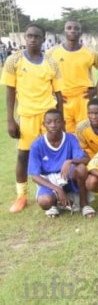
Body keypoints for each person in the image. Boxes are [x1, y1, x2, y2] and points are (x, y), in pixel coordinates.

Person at [2, 24, 63, 213]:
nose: (32, 39)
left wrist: (62, 119)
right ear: (24, 38)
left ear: (44, 38)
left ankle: (58, 190)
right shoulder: (14, 60)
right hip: (27, 116)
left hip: (49, 116)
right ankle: (21, 196)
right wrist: (11, 120)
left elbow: (58, 93)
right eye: (29, 36)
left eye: (37, 36)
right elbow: (10, 91)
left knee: (54, 153)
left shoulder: (51, 63)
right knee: (24, 155)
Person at [28, 109, 93, 218]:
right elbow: (34, 176)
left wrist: (70, 161)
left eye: (57, 121)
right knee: (45, 201)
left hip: (66, 176)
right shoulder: (37, 144)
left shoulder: (70, 138)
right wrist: (57, 189)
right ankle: (55, 203)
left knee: (81, 168)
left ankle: (84, 204)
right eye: (49, 122)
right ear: (44, 124)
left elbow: (86, 160)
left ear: (63, 123)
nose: (53, 125)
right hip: (49, 180)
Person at [46, 20, 98, 133]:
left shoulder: (90, 52)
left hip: (84, 98)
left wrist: (97, 89)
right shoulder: (51, 53)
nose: (72, 30)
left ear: (81, 32)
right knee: (64, 134)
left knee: (86, 133)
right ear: (64, 31)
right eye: (69, 28)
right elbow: (44, 75)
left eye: (76, 28)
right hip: (63, 99)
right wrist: (51, 92)